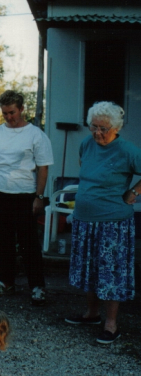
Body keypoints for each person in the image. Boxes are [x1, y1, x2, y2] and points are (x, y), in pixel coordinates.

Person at [65, 101, 141, 344]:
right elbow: (86, 170)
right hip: (85, 220)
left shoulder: (127, 150)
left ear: (116, 128)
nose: (98, 133)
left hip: (113, 223)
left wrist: (135, 192)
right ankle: (91, 314)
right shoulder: (87, 144)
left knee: (111, 273)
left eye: (104, 128)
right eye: (93, 127)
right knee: (90, 269)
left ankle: (111, 323)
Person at [0, 90, 54, 306]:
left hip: (24, 195)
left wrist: (39, 197)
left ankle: (37, 287)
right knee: (3, 240)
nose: (9, 117)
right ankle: (6, 282)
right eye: (4, 113)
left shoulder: (36, 135)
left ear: (21, 109)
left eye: (12, 112)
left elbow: (42, 169)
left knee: (28, 242)